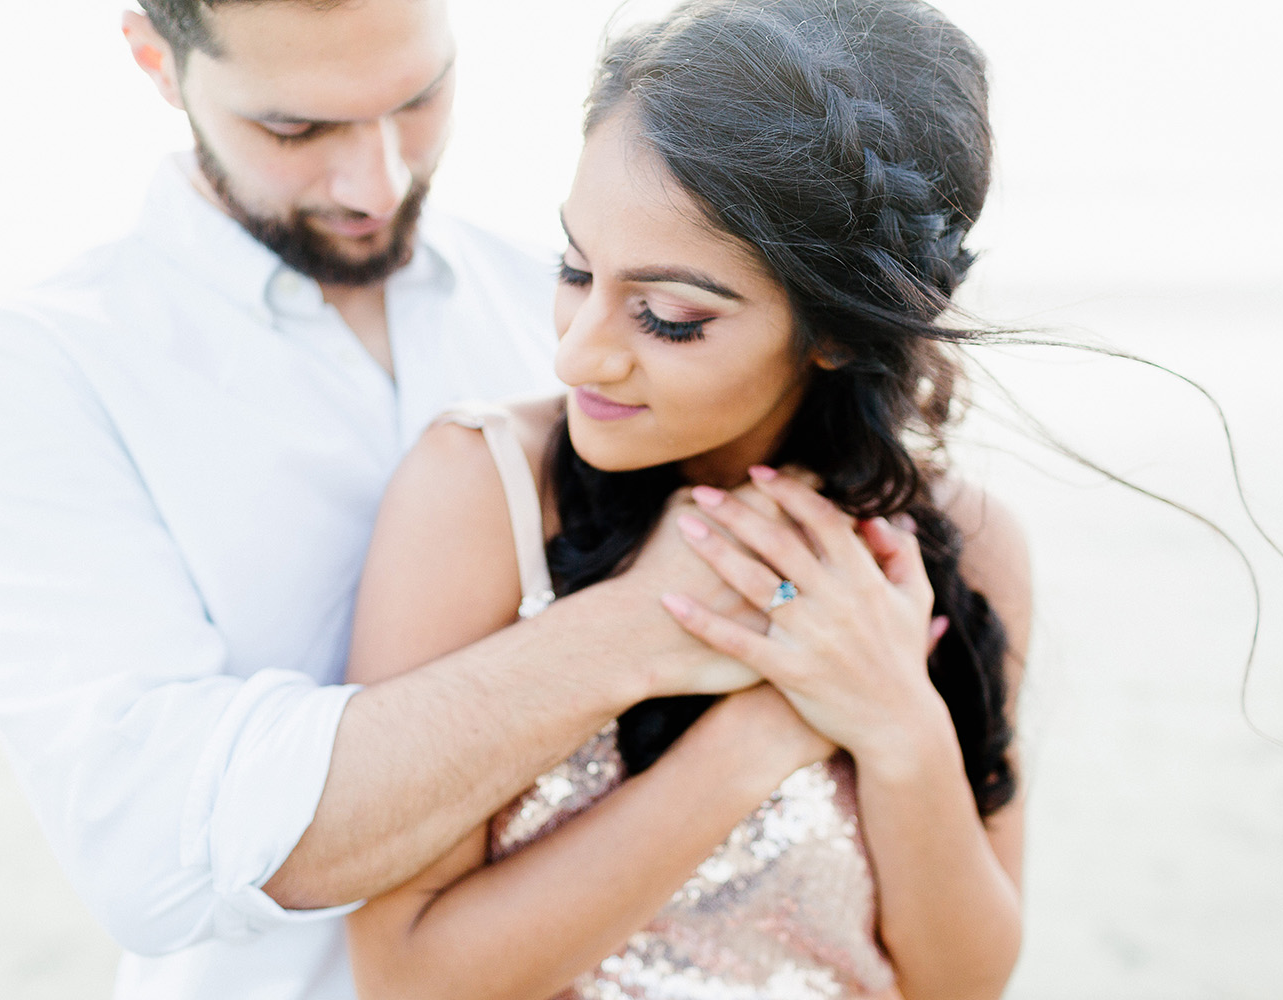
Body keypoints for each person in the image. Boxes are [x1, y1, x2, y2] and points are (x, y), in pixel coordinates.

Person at [0, 1, 780, 996]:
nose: (379, 180)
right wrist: (633, 630)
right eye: (295, 129)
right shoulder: (41, 369)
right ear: (156, 61)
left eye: (420, 98)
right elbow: (156, 847)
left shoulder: (556, 303)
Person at [342, 1, 1030, 998]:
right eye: (576, 268)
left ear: (837, 329)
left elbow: (962, 983)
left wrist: (896, 718)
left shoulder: (962, 543)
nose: (578, 349)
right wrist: (764, 731)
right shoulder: (481, 489)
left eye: (667, 317)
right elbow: (406, 978)